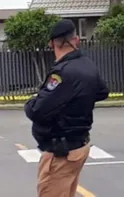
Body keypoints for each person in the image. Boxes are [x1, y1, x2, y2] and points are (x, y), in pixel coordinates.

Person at [24, 19, 109, 197]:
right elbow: (102, 92)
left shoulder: (62, 73)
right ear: (75, 40)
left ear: (52, 44)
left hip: (61, 152)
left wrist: (31, 101)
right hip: (79, 144)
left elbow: (36, 110)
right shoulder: (87, 65)